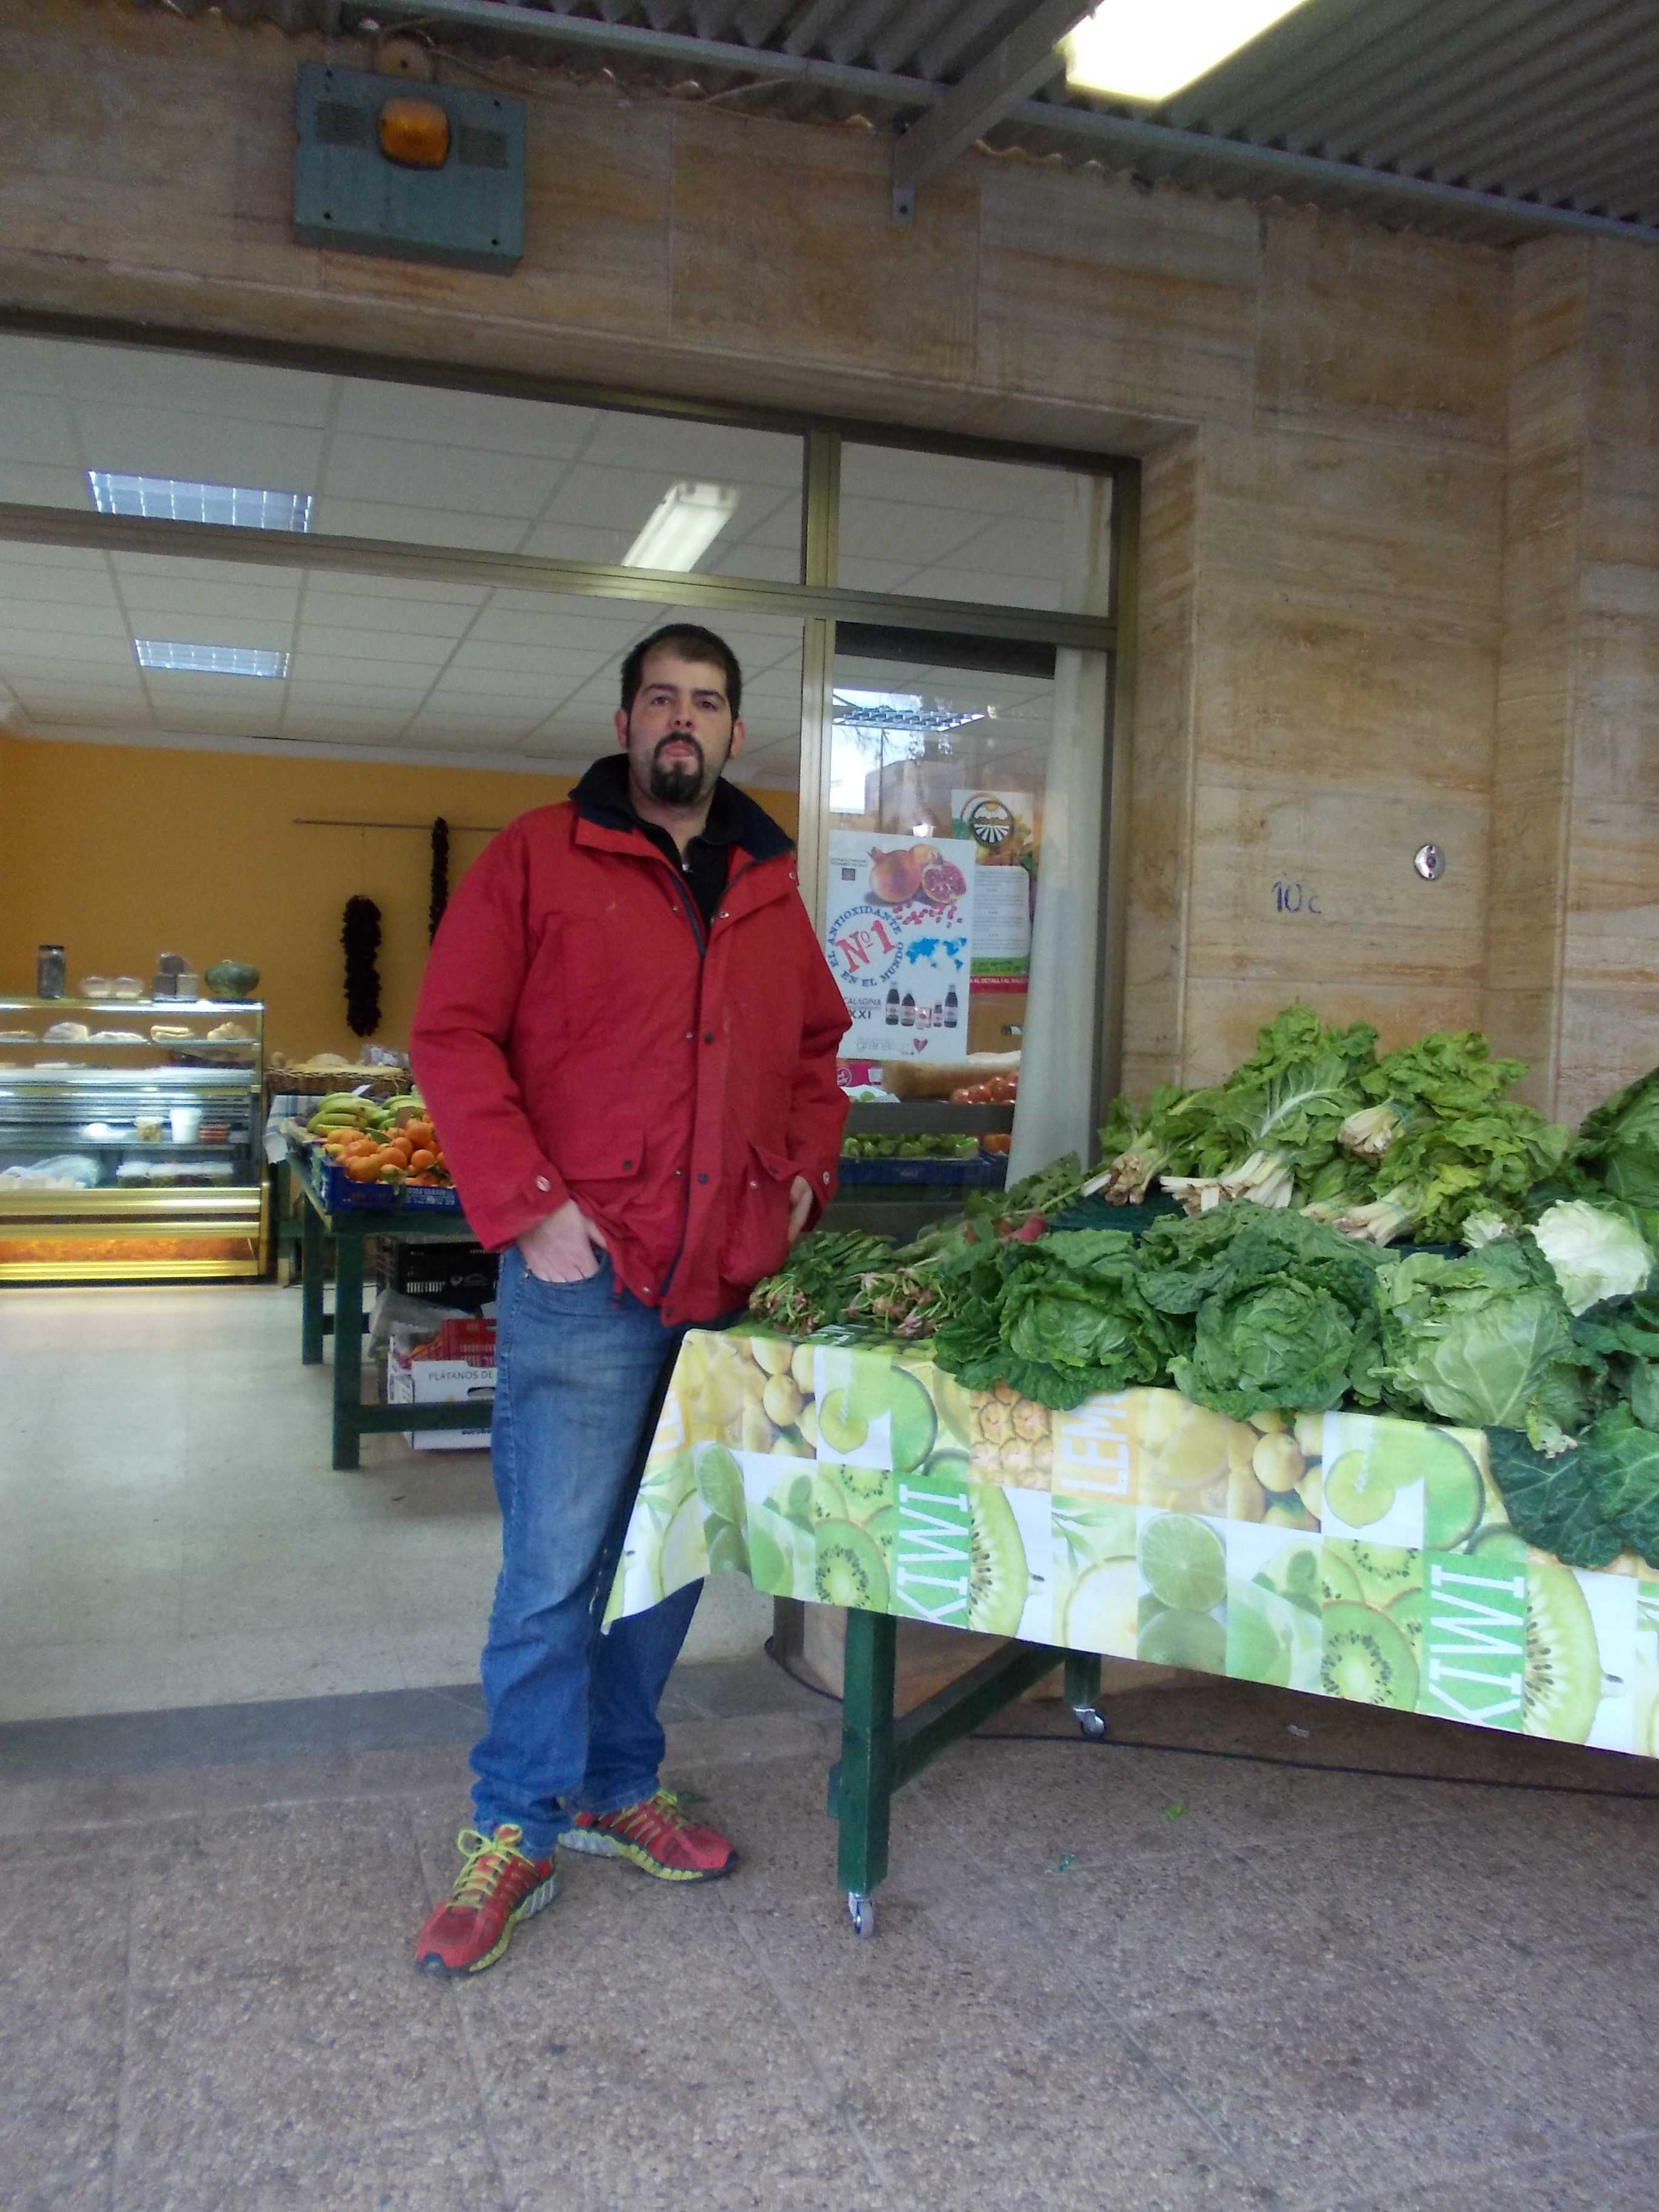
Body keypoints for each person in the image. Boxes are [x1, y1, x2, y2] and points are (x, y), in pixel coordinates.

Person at [407, 621, 850, 1977]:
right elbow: (452, 1035)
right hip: (584, 1278)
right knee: (555, 1567)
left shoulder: (767, 886)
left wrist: (803, 1180)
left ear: (733, 733)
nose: (683, 721)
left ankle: (615, 1783)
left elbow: (817, 1050)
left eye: (706, 702)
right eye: (662, 698)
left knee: (667, 1553)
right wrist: (529, 1204)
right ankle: (516, 1819)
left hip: (721, 1282)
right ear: (625, 723)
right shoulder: (538, 859)